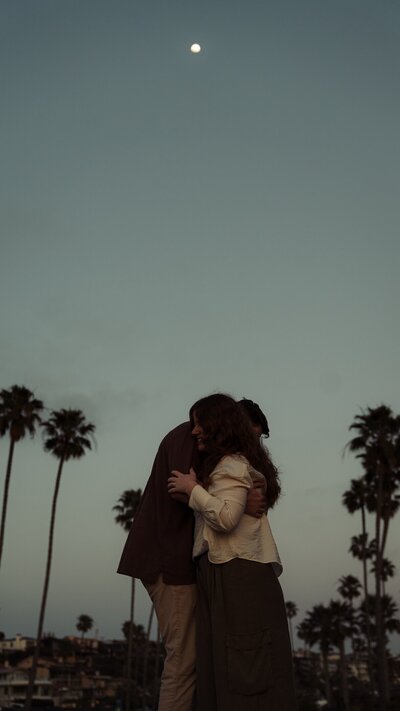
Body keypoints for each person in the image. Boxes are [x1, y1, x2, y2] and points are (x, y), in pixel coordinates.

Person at [117, 398, 269, 711]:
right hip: (168, 561)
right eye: (251, 435)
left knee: (195, 658)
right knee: (183, 661)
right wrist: (239, 505)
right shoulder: (188, 438)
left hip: (179, 561)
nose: (252, 444)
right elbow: (180, 488)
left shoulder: (210, 446)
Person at [168, 394, 297, 711]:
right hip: (224, 569)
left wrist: (193, 490)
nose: (195, 431)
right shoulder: (226, 467)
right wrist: (198, 493)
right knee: (231, 662)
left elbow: (224, 519)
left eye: (200, 424)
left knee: (245, 662)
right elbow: (221, 516)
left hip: (237, 570)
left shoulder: (232, 465)